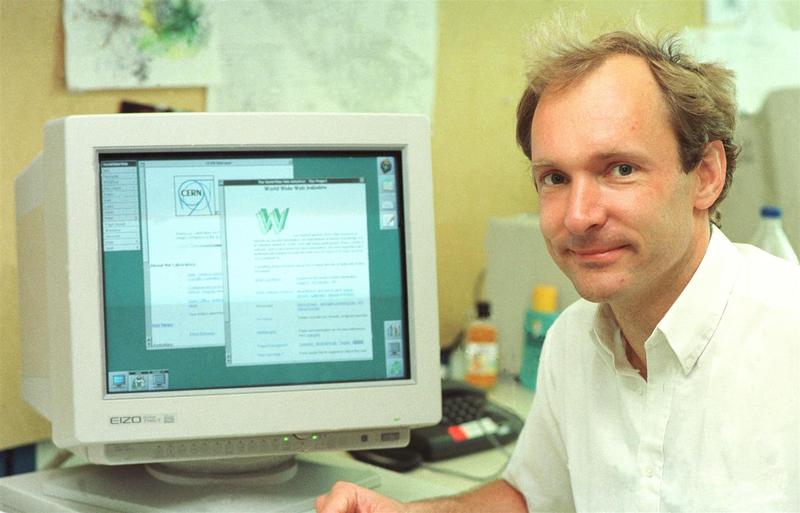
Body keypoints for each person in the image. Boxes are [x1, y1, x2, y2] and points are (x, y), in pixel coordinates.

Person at [316, 24, 800, 513]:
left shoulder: (788, 338)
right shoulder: (572, 343)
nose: (577, 215)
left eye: (620, 169)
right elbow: (531, 497)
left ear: (706, 176)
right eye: (554, 178)